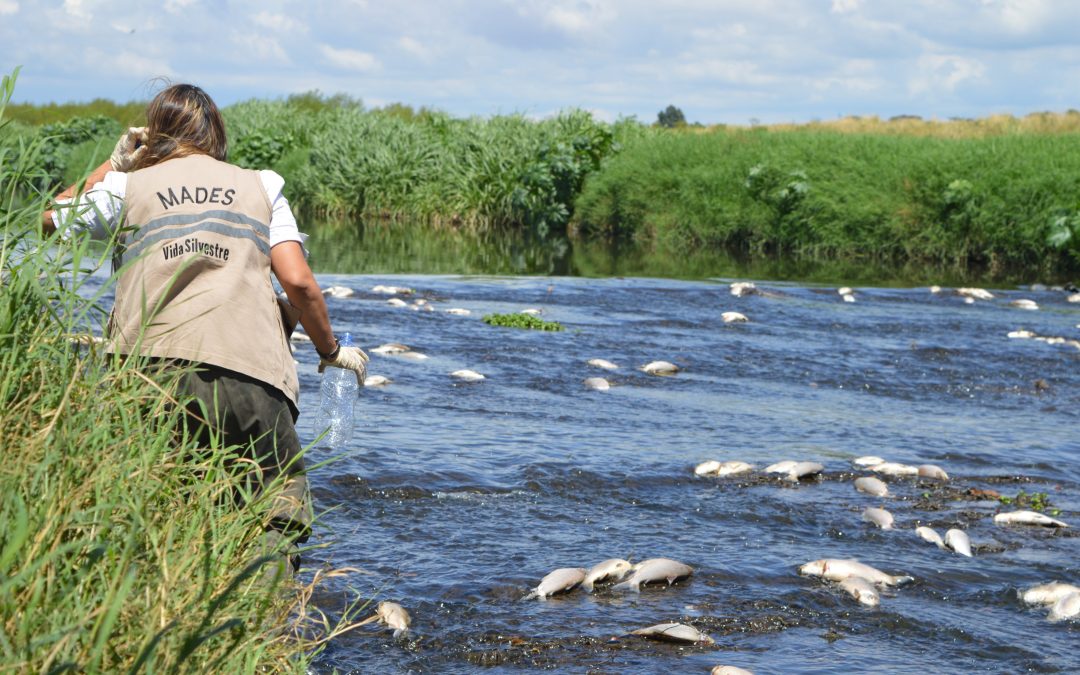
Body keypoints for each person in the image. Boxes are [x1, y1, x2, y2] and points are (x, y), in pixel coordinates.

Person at [42, 83, 367, 575]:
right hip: (250, 374)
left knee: (150, 511)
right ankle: (262, 630)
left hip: (145, 376)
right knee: (273, 511)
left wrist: (113, 165)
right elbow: (299, 284)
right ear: (215, 131)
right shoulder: (263, 186)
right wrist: (331, 348)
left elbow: (48, 220)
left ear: (154, 135)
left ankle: (159, 620)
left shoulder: (126, 187)